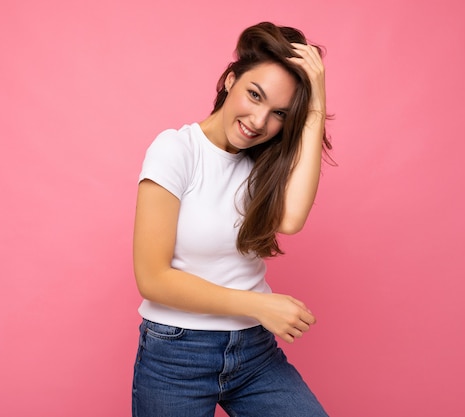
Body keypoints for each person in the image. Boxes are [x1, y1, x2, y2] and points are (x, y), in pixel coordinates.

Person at [132, 21, 332, 417]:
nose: (259, 121)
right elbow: (152, 278)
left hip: (254, 353)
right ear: (229, 80)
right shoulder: (176, 150)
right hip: (177, 356)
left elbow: (291, 220)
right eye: (254, 95)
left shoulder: (264, 163)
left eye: (278, 113)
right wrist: (259, 305)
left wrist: (316, 109)